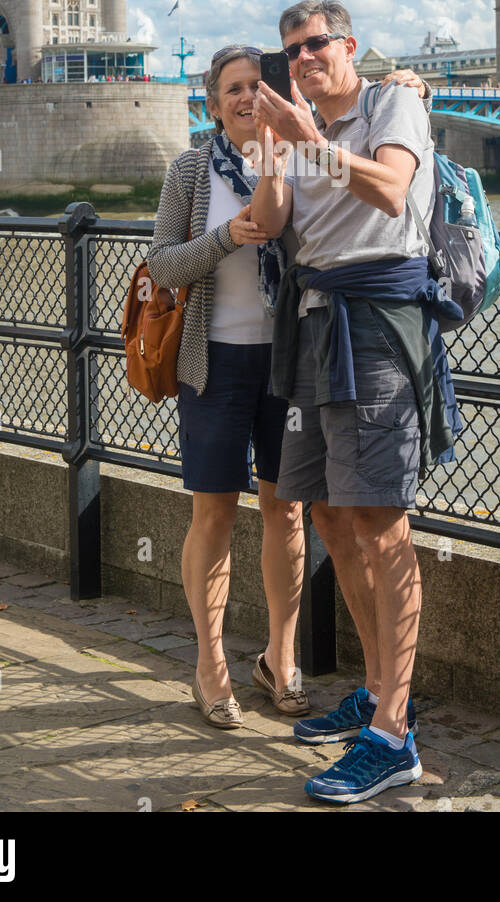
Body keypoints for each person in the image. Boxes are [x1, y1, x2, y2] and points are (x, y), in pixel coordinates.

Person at [252, 0, 462, 805]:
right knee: (332, 517)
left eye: (315, 45)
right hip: (311, 322)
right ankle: (378, 691)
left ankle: (393, 736)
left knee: (382, 523)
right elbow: (274, 225)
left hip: (376, 324)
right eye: (291, 50)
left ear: (349, 45)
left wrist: (312, 145)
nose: (302, 58)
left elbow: (390, 190)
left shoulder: (392, 102)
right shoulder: (299, 124)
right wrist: (279, 151)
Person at [147, 45, 308, 729]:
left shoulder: (302, 158)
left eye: (257, 86)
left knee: (288, 513)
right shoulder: (188, 171)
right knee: (212, 515)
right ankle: (210, 665)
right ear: (212, 104)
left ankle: (281, 656)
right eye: (233, 90)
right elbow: (162, 266)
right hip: (211, 365)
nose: (248, 98)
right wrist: (225, 238)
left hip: (289, 363)